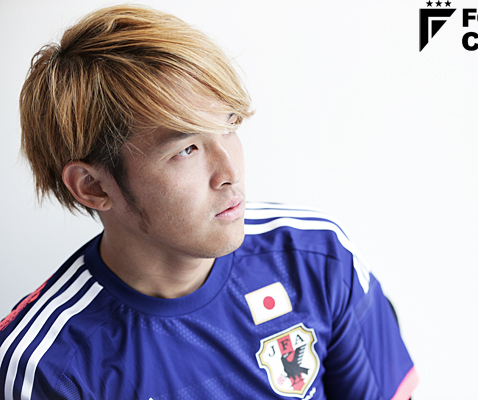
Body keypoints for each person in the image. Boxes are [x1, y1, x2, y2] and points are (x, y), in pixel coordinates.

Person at [0, 5, 417, 400]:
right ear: (93, 186)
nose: (229, 172)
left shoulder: (314, 256)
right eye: (187, 149)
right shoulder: (47, 366)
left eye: (229, 126)